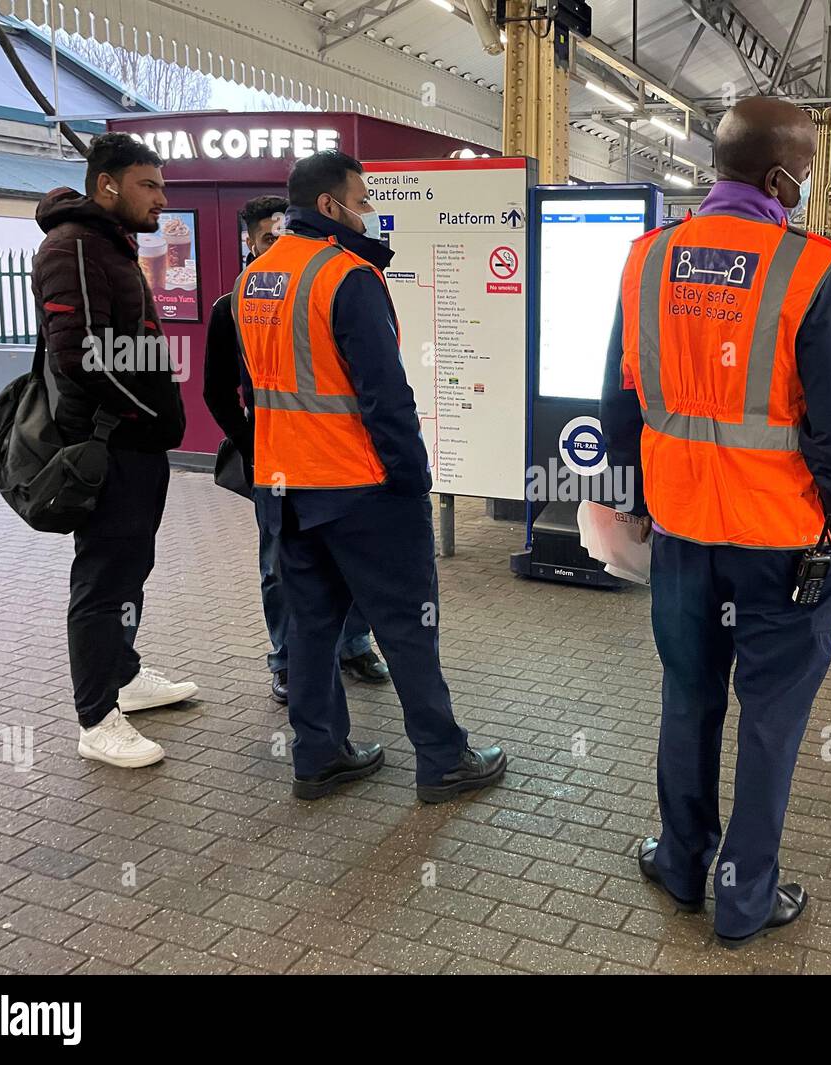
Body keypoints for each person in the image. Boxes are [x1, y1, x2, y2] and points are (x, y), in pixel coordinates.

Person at [601, 97, 831, 948]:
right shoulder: (807, 269)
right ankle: (743, 897)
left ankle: (682, 862)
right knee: (770, 720)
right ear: (781, 176)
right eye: (806, 173)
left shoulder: (649, 260)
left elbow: (620, 400)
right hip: (784, 545)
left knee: (687, 698)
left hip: (683, 532)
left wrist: (636, 497)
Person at [232, 150, 506, 802]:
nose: (369, 209)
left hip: (284, 489)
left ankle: (319, 754)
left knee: (312, 625)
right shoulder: (346, 276)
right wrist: (413, 476)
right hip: (359, 486)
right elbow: (386, 395)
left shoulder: (255, 279)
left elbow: (253, 390)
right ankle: (443, 759)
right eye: (362, 198)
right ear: (329, 206)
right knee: (409, 623)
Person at [32, 132, 197, 769]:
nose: (161, 198)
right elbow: (79, 352)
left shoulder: (109, 245)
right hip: (110, 445)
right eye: (148, 186)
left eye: (160, 185)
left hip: (136, 443)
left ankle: (124, 675)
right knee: (103, 580)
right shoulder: (72, 246)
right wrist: (151, 409)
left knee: (131, 568)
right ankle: (96, 717)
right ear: (108, 185)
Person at [202, 194, 390, 704]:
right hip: (277, 469)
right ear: (250, 243)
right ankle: (286, 660)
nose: (278, 248)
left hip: (335, 461)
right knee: (280, 568)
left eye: (284, 236)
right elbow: (216, 393)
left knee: (350, 559)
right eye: (267, 239)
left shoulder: (325, 294)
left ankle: (352, 644)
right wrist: (254, 449)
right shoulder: (233, 306)